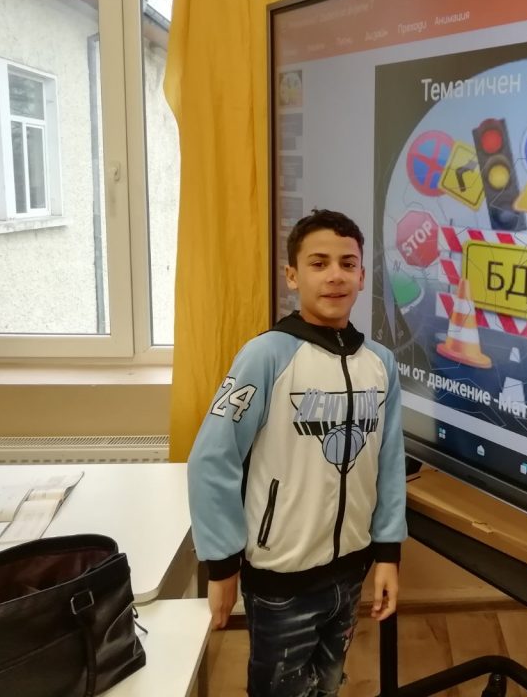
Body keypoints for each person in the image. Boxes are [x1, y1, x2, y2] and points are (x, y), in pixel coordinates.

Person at [187, 209, 407, 697]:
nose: (335, 275)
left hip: (351, 570)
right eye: (318, 263)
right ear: (292, 275)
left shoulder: (381, 364)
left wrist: (388, 553)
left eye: (347, 263)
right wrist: (221, 566)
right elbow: (213, 458)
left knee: (328, 683)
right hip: (281, 579)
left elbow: (389, 463)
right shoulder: (265, 356)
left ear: (362, 276)